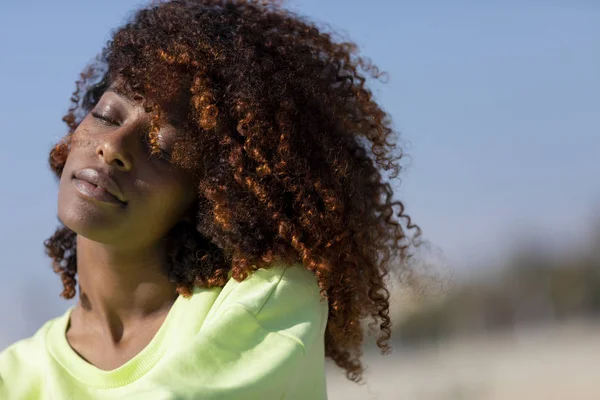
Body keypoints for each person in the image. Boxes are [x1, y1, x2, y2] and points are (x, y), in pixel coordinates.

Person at [0, 0, 420, 398]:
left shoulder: (268, 300)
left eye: (163, 151)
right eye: (107, 116)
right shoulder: (14, 375)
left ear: (209, 198)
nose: (112, 146)